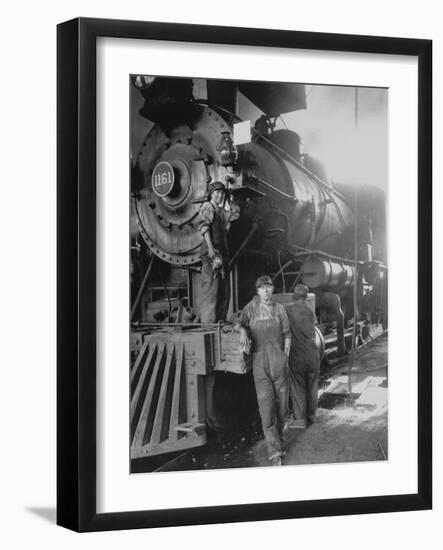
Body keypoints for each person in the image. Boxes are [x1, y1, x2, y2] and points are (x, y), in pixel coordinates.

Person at [236, 275, 292, 466]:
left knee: (283, 409)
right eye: (262, 288)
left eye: (269, 287)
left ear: (273, 289)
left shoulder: (280, 309)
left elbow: (287, 334)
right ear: (258, 291)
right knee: (267, 410)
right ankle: (275, 452)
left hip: (279, 362)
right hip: (260, 364)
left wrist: (285, 356)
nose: (266, 291)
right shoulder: (250, 308)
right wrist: (243, 331)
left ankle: (281, 440)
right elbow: (239, 323)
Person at [197, 181, 239, 323]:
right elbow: (204, 227)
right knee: (211, 289)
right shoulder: (208, 207)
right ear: (211, 194)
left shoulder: (221, 212)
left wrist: (230, 199)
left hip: (222, 254)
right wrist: (210, 248)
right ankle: (209, 323)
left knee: (224, 289)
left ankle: (220, 320)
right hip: (212, 254)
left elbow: (234, 215)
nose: (219, 195)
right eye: (216, 193)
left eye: (222, 193)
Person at [286, 284, 320, 428]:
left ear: (294, 296)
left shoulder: (288, 310)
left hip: (297, 355)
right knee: (312, 386)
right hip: (313, 354)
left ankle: (300, 420)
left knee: (298, 386)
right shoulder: (310, 311)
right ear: (306, 297)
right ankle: (311, 416)